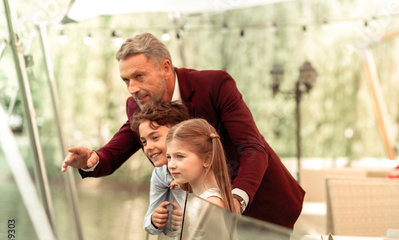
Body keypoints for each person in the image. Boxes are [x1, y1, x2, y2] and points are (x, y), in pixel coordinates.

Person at [61, 32, 304, 228]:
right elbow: (114, 153)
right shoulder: (136, 105)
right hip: (198, 219)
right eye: (126, 80)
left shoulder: (215, 85)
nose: (132, 88)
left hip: (259, 205)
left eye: (138, 76)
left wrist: (236, 202)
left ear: (165, 68)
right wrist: (92, 159)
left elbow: (252, 147)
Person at [129, 101, 188, 235]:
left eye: (155, 137)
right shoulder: (160, 173)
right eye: (144, 142)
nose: (148, 147)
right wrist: (154, 220)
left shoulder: (200, 169)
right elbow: (162, 228)